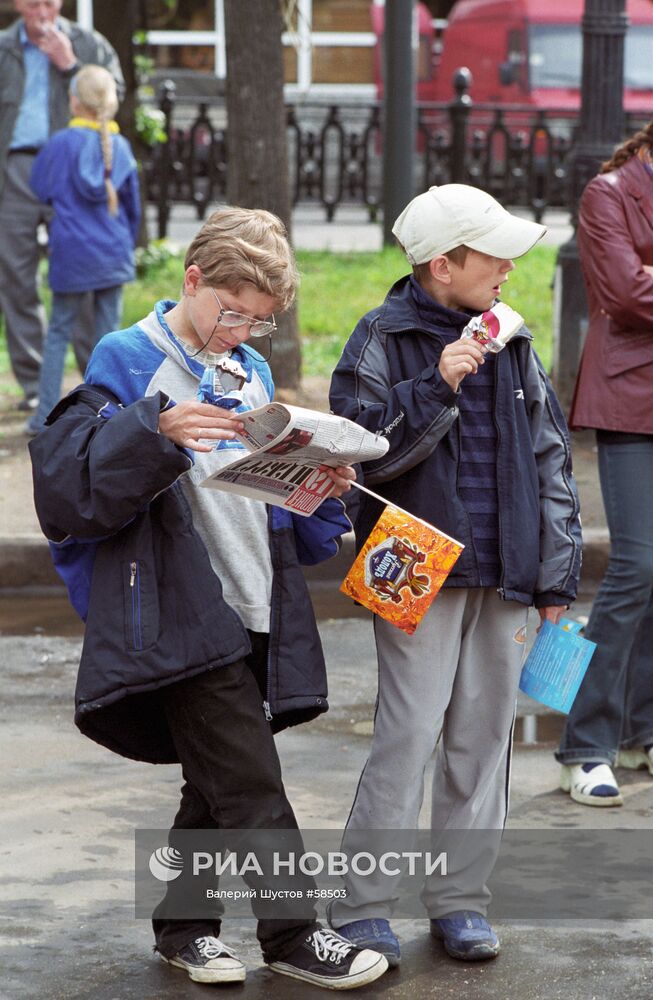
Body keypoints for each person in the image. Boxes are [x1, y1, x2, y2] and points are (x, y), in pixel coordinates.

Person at [28, 207, 388, 990]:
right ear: (192, 282)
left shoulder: (249, 372)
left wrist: (315, 484)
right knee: (252, 783)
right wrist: (156, 431)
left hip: (251, 591)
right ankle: (294, 936)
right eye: (232, 312)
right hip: (178, 605)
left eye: (257, 323)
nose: (240, 331)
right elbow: (80, 484)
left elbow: (255, 493)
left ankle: (184, 929)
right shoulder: (127, 356)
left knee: (214, 781)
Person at [328, 184, 581, 967]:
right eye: (493, 253)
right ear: (444, 264)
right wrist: (436, 383)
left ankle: (461, 901)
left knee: (482, 741)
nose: (509, 267)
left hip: (503, 565)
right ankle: (363, 904)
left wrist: (555, 574)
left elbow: (550, 458)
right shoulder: (381, 336)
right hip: (411, 565)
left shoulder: (510, 339)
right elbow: (355, 452)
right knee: (405, 736)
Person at [556, 95, 653, 806]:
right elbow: (625, 293)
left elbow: (645, 289)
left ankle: (644, 728)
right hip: (630, 399)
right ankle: (584, 745)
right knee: (630, 567)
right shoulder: (608, 193)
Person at [0, 0, 123, 410]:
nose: (43, 10)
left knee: (83, 276)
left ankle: (96, 385)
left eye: (50, 1)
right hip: (14, 168)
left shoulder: (90, 44)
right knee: (16, 275)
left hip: (75, 168)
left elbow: (114, 95)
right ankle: (36, 387)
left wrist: (71, 65)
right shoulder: (4, 48)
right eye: (33, 2)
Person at [26, 64, 139, 436]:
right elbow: (133, 208)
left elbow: (39, 187)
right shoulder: (120, 147)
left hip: (72, 254)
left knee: (58, 332)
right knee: (108, 338)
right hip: (111, 252)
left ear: (74, 101)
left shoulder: (60, 144)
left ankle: (44, 415)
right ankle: (104, 415)